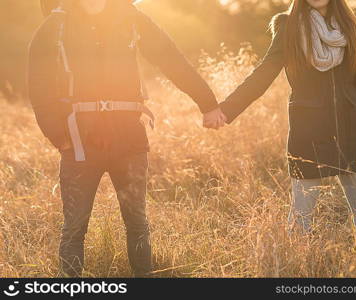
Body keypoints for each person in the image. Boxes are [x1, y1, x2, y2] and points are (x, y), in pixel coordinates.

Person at [28, 0, 226, 277]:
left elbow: (171, 58)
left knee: (137, 222)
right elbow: (39, 84)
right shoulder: (55, 25)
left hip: (129, 139)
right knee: (74, 227)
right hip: (78, 142)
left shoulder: (132, 18)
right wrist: (58, 137)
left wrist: (208, 103)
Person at [215, 0, 356, 237]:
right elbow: (264, 73)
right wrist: (227, 109)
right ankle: (297, 266)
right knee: (302, 215)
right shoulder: (289, 26)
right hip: (309, 133)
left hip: (352, 131)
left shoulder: (349, 25)